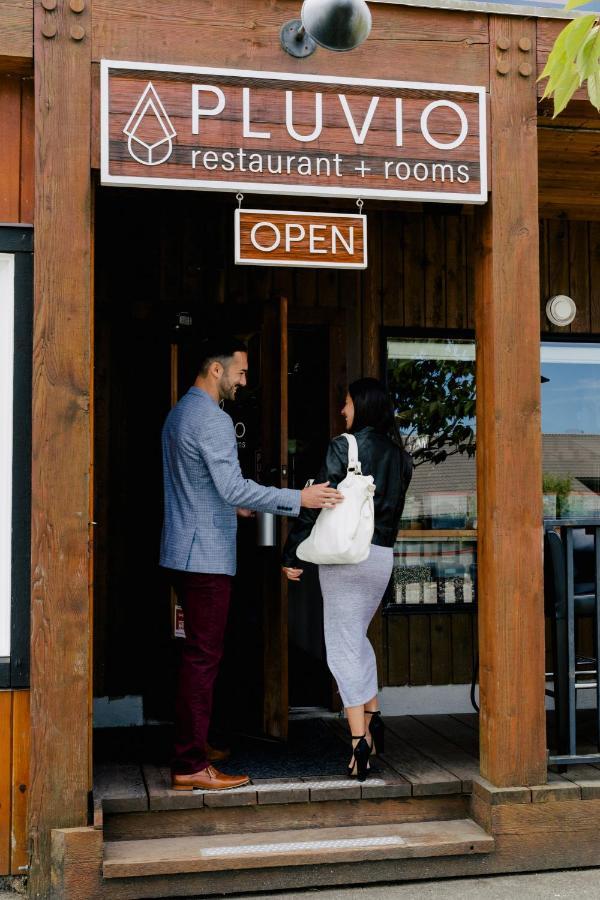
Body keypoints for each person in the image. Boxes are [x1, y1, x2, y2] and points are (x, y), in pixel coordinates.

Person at [161, 335, 343, 791]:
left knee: (194, 657)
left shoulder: (179, 413)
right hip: (204, 557)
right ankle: (190, 763)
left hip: (182, 550)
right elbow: (233, 487)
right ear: (217, 370)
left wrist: (233, 505)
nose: (245, 381)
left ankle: (195, 745)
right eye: (241, 372)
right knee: (203, 659)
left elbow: (202, 487)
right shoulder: (214, 420)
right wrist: (297, 497)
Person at [282, 377, 413, 781]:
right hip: (381, 558)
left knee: (341, 646)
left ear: (363, 406)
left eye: (347, 402)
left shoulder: (345, 446)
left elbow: (318, 501)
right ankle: (372, 721)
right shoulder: (401, 456)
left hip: (347, 558)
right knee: (356, 639)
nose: (343, 410)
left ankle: (359, 743)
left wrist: (293, 550)